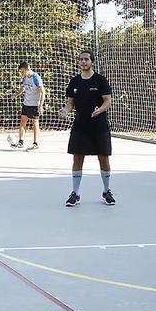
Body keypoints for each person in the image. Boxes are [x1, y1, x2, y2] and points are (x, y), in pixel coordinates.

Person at [59, 50, 115, 207]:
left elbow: (107, 100)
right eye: (81, 59)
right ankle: (75, 194)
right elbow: (70, 102)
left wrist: (100, 110)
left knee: (103, 157)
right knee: (77, 158)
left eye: (86, 59)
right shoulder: (74, 81)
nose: (83, 62)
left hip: (99, 126)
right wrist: (65, 110)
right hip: (80, 126)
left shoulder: (100, 80)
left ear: (92, 62)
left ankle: (107, 191)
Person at [7, 61, 45, 151]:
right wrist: (15, 95)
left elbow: (42, 92)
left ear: (28, 69)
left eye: (22, 71)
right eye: (21, 72)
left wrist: (40, 105)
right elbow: (22, 88)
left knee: (35, 123)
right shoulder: (24, 77)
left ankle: (36, 144)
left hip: (34, 104)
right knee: (23, 121)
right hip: (26, 103)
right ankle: (20, 142)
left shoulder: (36, 77)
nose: (21, 73)